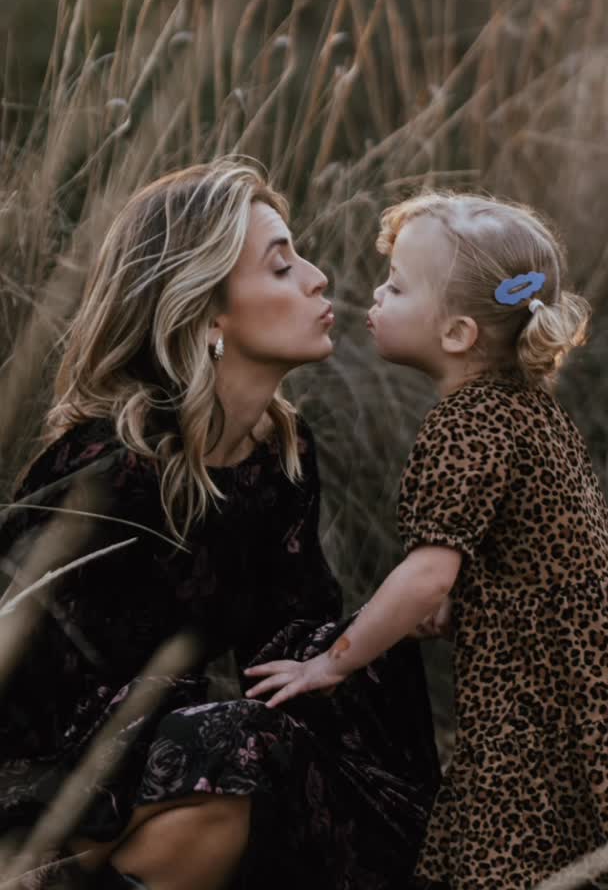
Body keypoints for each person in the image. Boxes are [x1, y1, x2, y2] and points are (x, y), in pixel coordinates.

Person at [0, 159, 441, 890]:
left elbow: (289, 639)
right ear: (207, 315)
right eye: (281, 267)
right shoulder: (111, 468)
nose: (317, 279)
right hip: (52, 784)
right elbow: (28, 692)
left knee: (367, 671)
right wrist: (201, 723)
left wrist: (396, 618)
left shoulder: (280, 455)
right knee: (237, 742)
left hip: (177, 764)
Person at [246, 190, 608, 890]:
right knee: (592, 814)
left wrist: (330, 664)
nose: (376, 295)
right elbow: (538, 547)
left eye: (397, 287)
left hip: (536, 683)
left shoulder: (463, 426)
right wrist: (476, 599)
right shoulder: (527, 408)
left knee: (511, 834)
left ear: (457, 333)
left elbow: (428, 573)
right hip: (596, 660)